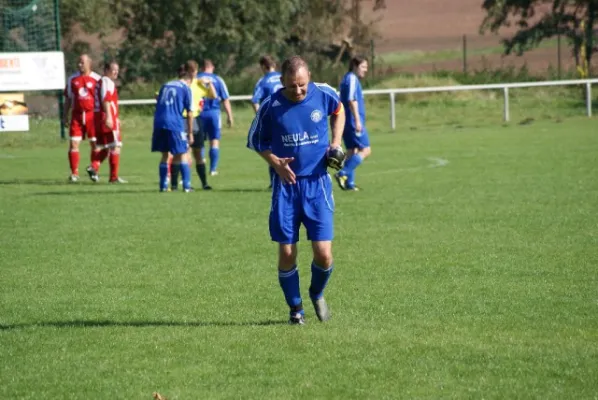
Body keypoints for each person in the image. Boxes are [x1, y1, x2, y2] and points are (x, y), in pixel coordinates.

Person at [246, 55, 345, 325]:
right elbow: (255, 140)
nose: (298, 90)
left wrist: (335, 143)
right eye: (292, 86)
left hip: (317, 184)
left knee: (323, 254)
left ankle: (316, 292)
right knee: (287, 252)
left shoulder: (323, 94)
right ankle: (295, 308)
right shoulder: (271, 106)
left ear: (309, 76)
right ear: (282, 82)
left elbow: (339, 110)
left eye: (302, 84)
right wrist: (275, 162)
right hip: (287, 188)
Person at [151, 62, 195, 192]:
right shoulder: (185, 88)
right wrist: (190, 133)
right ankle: (187, 186)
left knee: (165, 154)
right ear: (189, 76)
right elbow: (190, 113)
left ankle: (163, 185)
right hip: (174, 123)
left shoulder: (165, 85)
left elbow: (158, 101)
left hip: (159, 122)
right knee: (182, 153)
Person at [176, 60, 217, 190]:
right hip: (182, 119)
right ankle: (183, 182)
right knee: (184, 151)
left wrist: (209, 84)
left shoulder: (199, 84)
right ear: (186, 71)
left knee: (198, 152)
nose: (194, 74)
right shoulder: (180, 84)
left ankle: (204, 183)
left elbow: (213, 96)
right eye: (191, 72)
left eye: (195, 72)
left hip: (196, 119)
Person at [335, 56, 372, 191]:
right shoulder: (351, 78)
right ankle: (342, 173)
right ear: (355, 66)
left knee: (352, 151)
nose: (365, 70)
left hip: (346, 119)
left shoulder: (348, 78)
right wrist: (357, 120)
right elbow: (351, 99)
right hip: (352, 121)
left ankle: (349, 184)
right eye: (363, 67)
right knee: (366, 150)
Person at [63, 54, 101, 182]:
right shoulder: (72, 79)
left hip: (93, 116)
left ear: (89, 63)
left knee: (95, 144)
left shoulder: (97, 79)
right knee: (74, 143)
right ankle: (74, 173)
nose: (80, 65)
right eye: (78, 62)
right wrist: (65, 116)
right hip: (77, 116)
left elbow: (103, 99)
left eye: (82, 62)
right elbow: (68, 99)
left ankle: (94, 169)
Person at [86, 61, 125, 183]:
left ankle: (94, 167)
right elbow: (106, 99)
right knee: (116, 146)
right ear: (106, 70)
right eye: (114, 70)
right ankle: (113, 177)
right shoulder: (107, 82)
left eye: (117, 70)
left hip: (98, 116)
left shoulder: (100, 82)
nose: (116, 73)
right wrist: (109, 116)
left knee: (107, 147)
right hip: (106, 116)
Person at [197, 59, 234, 176]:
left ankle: (201, 162)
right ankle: (213, 170)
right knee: (214, 141)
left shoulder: (196, 79)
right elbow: (225, 99)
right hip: (213, 113)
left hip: (199, 113)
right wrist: (230, 116)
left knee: (200, 141)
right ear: (211, 67)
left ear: (201, 68)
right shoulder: (218, 79)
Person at [251, 55, 283, 189]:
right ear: (274, 65)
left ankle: (275, 181)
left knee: (272, 152)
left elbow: (254, 100)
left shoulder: (263, 81)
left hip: (272, 119)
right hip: (288, 117)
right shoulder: (284, 77)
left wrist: (260, 117)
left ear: (263, 67)